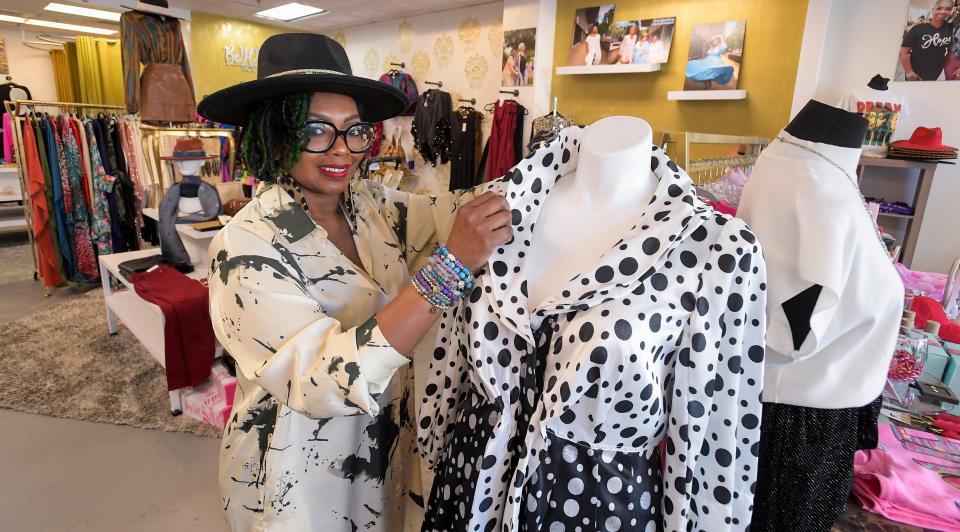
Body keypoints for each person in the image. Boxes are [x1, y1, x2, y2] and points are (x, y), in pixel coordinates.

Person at [197, 33, 511, 532]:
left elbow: (456, 212)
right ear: (276, 135)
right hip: (296, 472)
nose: (342, 150)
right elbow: (325, 381)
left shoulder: (373, 206)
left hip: (383, 452)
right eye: (316, 131)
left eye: (355, 130)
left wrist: (554, 172)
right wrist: (451, 266)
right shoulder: (246, 249)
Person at [899, 0, 954, 81]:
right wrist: (909, 72)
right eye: (939, 8)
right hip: (916, 70)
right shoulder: (918, 29)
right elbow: (904, 52)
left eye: (948, 9)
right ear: (933, 9)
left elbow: (952, 49)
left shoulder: (950, 29)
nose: (943, 11)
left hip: (936, 70)